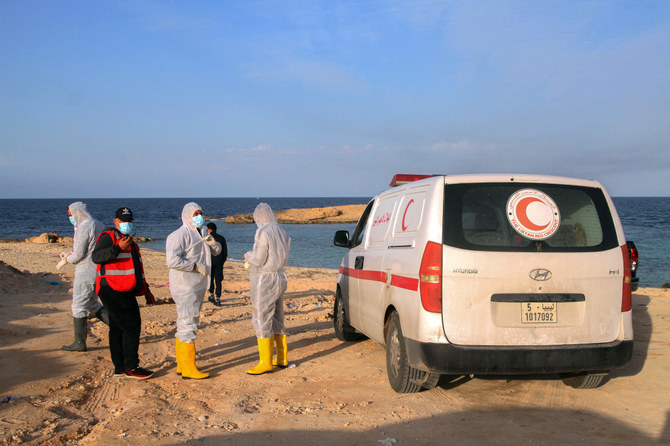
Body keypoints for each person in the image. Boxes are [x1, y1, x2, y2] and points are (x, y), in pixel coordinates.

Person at [92, 207, 156, 379]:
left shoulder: (130, 242)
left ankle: (120, 368)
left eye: (129, 221)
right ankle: (131, 368)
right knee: (131, 326)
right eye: (123, 220)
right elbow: (97, 257)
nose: (126, 224)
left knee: (117, 328)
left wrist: (146, 291)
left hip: (125, 288)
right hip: (111, 288)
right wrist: (117, 248)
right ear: (115, 221)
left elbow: (136, 269)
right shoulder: (109, 236)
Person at [166, 202, 221, 380]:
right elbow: (172, 261)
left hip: (198, 284)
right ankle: (189, 367)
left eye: (201, 212)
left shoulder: (204, 231)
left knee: (187, 322)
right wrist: (195, 266)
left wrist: (213, 244)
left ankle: (182, 365)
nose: (199, 216)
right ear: (187, 216)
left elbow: (216, 252)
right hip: (184, 285)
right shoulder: (179, 235)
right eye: (195, 213)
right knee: (188, 323)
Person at [244, 203, 291, 375]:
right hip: (280, 276)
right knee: (278, 316)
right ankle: (281, 358)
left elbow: (259, 258)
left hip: (265, 278)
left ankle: (265, 362)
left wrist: (248, 256)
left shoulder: (263, 232)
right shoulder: (282, 231)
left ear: (259, 217)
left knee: (262, 316)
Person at [61, 202, 110, 352]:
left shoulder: (83, 228)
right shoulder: (99, 224)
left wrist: (66, 258)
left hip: (85, 271)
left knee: (78, 306)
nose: (70, 218)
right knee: (93, 304)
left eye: (70, 215)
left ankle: (79, 342)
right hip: (99, 270)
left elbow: (78, 255)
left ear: (78, 213)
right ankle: (119, 326)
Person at [206, 222, 228, 306]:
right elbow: (225, 253)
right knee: (218, 281)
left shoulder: (207, 238)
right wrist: (222, 261)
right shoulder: (222, 238)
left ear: (209, 229)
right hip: (219, 262)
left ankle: (212, 296)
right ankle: (218, 298)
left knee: (210, 279)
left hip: (210, 262)